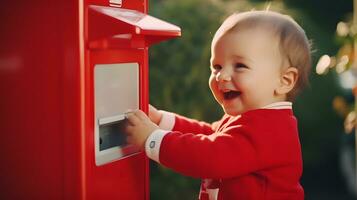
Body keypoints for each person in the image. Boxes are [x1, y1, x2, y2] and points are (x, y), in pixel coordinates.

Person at [124, 10, 311, 200]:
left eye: (240, 65)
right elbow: (211, 135)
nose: (222, 76)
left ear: (284, 80)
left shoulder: (271, 129)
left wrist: (153, 139)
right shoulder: (251, 119)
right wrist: (163, 121)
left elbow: (213, 156)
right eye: (217, 67)